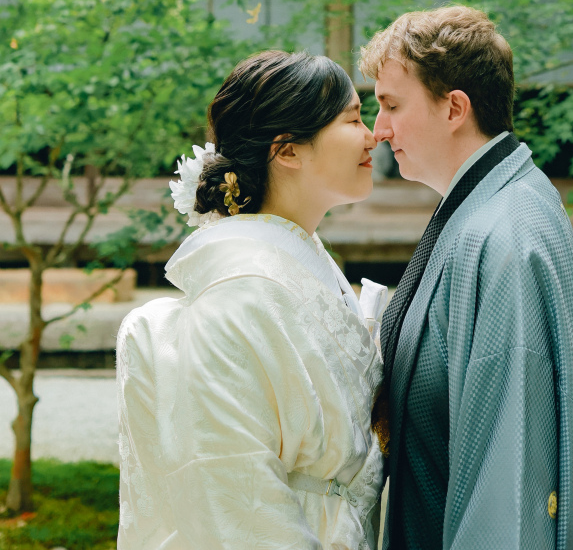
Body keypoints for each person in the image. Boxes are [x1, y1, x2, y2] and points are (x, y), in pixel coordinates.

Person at [360, 5, 573, 550]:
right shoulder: (491, 204)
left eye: (390, 105)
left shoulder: (504, 234)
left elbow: (513, 473)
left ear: (454, 107)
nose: (379, 130)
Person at [116, 50, 388, 550]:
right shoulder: (236, 294)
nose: (375, 134)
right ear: (287, 151)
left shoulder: (298, 265)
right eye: (353, 119)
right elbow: (233, 488)